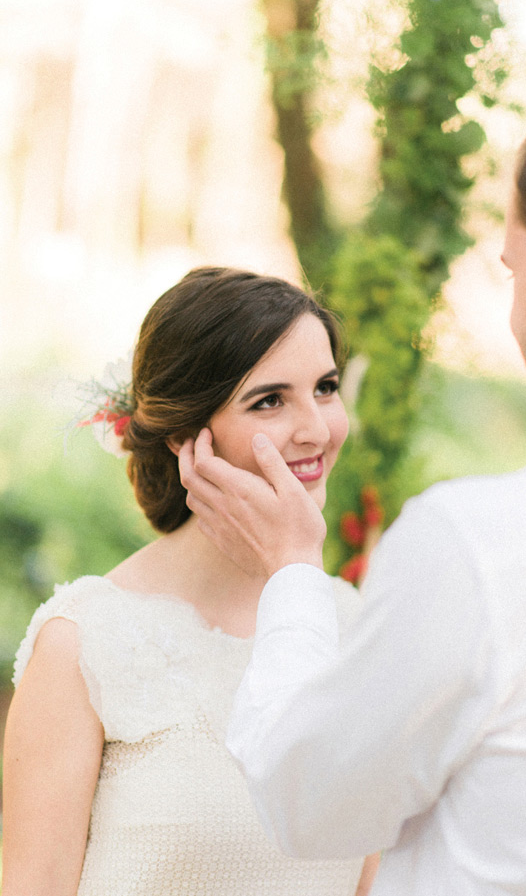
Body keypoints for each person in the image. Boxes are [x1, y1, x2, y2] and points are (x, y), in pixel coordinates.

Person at [178, 76, 526, 895]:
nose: (516, 307)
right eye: (271, 397)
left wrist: (292, 575)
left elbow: (304, 798)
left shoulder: (486, 545)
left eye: (510, 268)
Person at [2, 267, 379, 896]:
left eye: (326, 387)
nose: (316, 428)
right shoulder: (83, 645)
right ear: (186, 433)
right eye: (270, 400)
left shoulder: (357, 627)